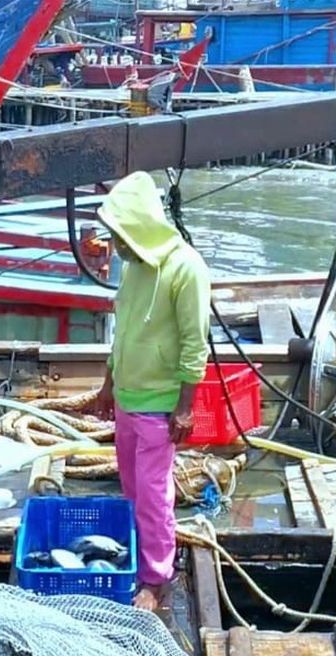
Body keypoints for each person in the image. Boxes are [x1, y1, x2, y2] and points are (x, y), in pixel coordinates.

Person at [94, 171, 211, 613]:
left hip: (160, 407)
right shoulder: (134, 267)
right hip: (127, 399)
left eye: (120, 234)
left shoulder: (187, 268)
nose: (116, 244)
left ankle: (157, 577)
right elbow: (123, 330)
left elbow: (195, 343)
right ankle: (138, 554)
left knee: (153, 494)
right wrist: (108, 385)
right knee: (131, 488)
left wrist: (185, 408)